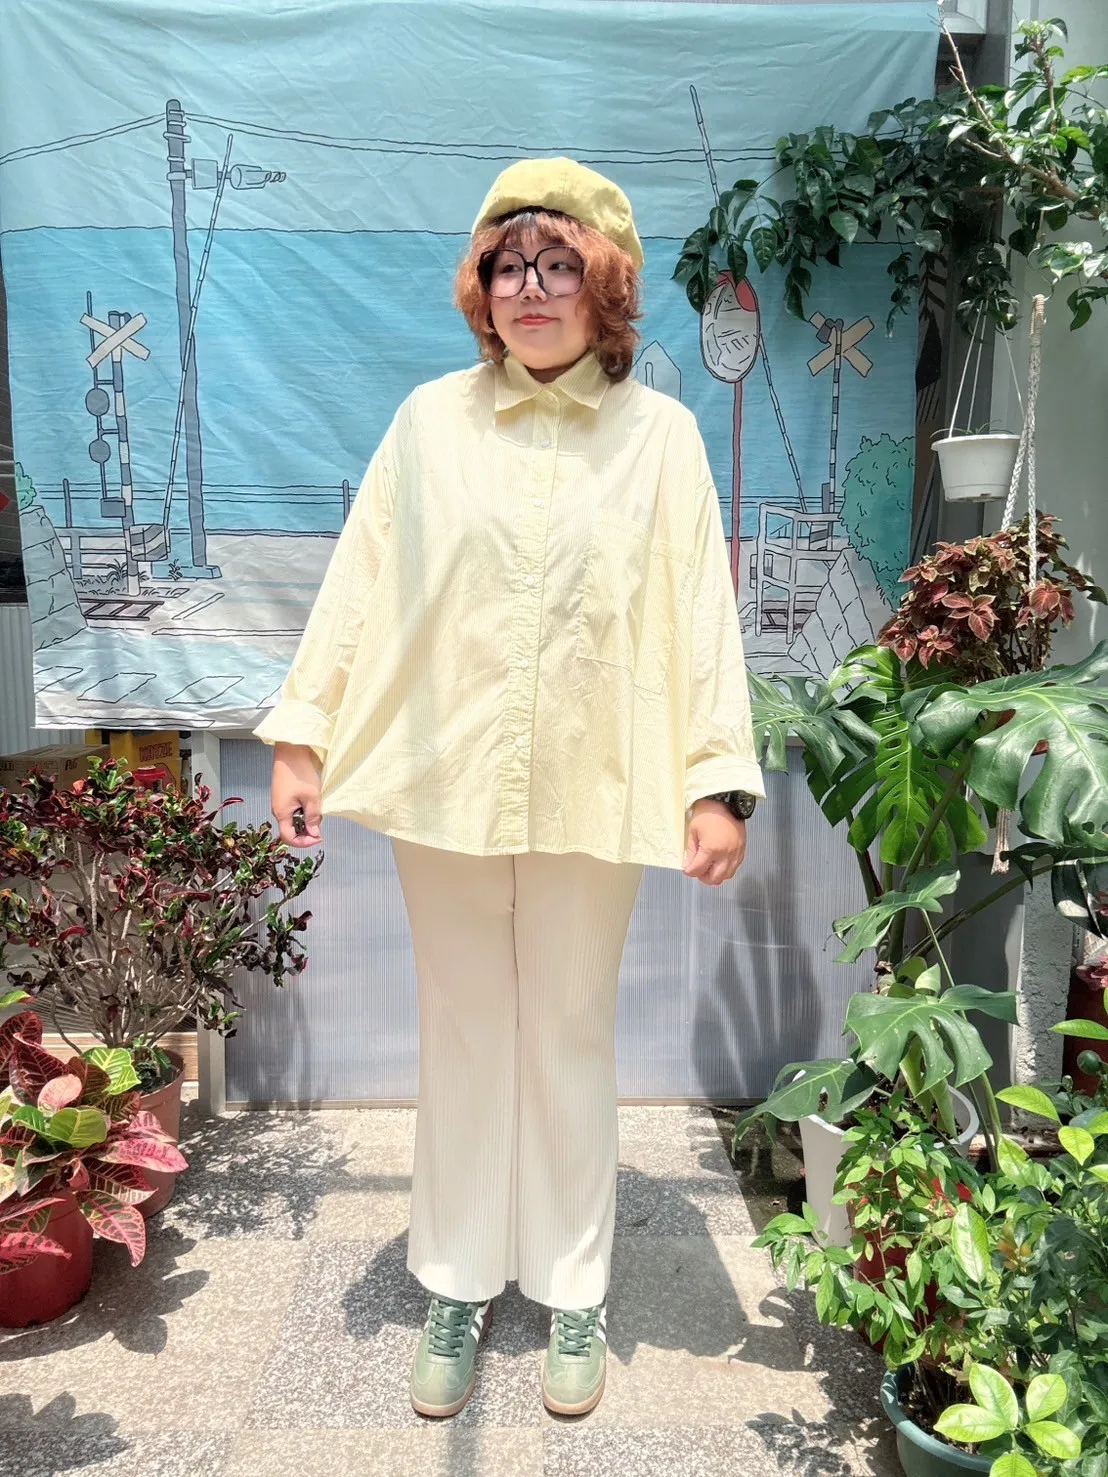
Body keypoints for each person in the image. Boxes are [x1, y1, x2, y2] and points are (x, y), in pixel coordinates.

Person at [255, 157, 765, 1420]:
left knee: (571, 1026)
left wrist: (716, 780)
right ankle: (458, 1276)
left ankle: (574, 1285)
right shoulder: (429, 424)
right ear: (480, 287)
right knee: (467, 1023)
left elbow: (703, 616)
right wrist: (302, 732)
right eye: (506, 265)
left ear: (607, 286)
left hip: (596, 776)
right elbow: (360, 578)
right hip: (449, 778)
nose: (529, 288)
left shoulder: (661, 441)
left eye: (558, 265)